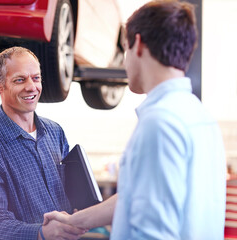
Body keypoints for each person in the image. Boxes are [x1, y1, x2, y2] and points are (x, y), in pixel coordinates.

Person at [44, 1, 227, 239]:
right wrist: (75, 221)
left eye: (125, 49)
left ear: (138, 44)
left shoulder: (160, 123)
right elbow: (138, 195)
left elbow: (152, 232)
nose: (125, 61)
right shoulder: (200, 117)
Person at [0, 46, 85, 240]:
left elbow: (71, 193)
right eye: (20, 80)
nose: (31, 87)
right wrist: (42, 233)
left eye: (36, 78)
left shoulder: (54, 132)